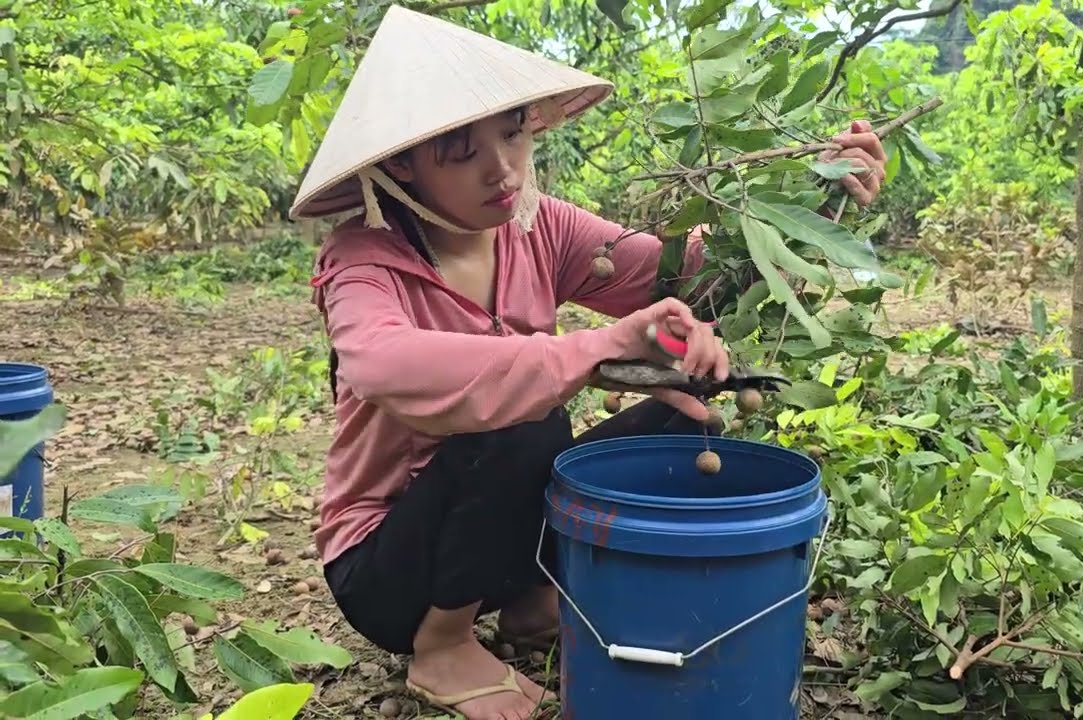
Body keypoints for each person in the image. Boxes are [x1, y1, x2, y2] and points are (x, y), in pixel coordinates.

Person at [293, 6, 888, 720]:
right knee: (523, 422)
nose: (501, 166)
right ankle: (444, 645)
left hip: (500, 535)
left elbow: (690, 276)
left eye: (511, 130)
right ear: (401, 164)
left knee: (674, 420)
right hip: (390, 569)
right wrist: (595, 347)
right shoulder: (365, 256)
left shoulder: (539, 227)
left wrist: (816, 199)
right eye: (459, 147)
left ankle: (531, 600)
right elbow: (384, 364)